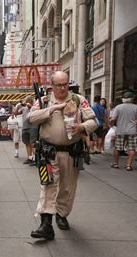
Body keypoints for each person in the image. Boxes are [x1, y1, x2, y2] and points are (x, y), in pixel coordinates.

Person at [27, 71, 97, 240]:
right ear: (52, 86)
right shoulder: (44, 101)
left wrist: (81, 127)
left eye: (65, 84)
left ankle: (62, 215)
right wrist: (52, 109)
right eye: (58, 85)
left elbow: (93, 122)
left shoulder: (78, 100)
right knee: (48, 186)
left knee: (67, 187)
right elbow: (31, 117)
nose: (62, 88)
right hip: (49, 154)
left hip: (71, 153)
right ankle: (46, 225)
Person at [109, 91, 137, 171]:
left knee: (117, 148)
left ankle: (116, 164)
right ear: (132, 99)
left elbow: (113, 119)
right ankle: (128, 165)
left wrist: (111, 125)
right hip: (132, 131)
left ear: (123, 99)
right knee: (132, 148)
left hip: (120, 130)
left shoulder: (118, 107)